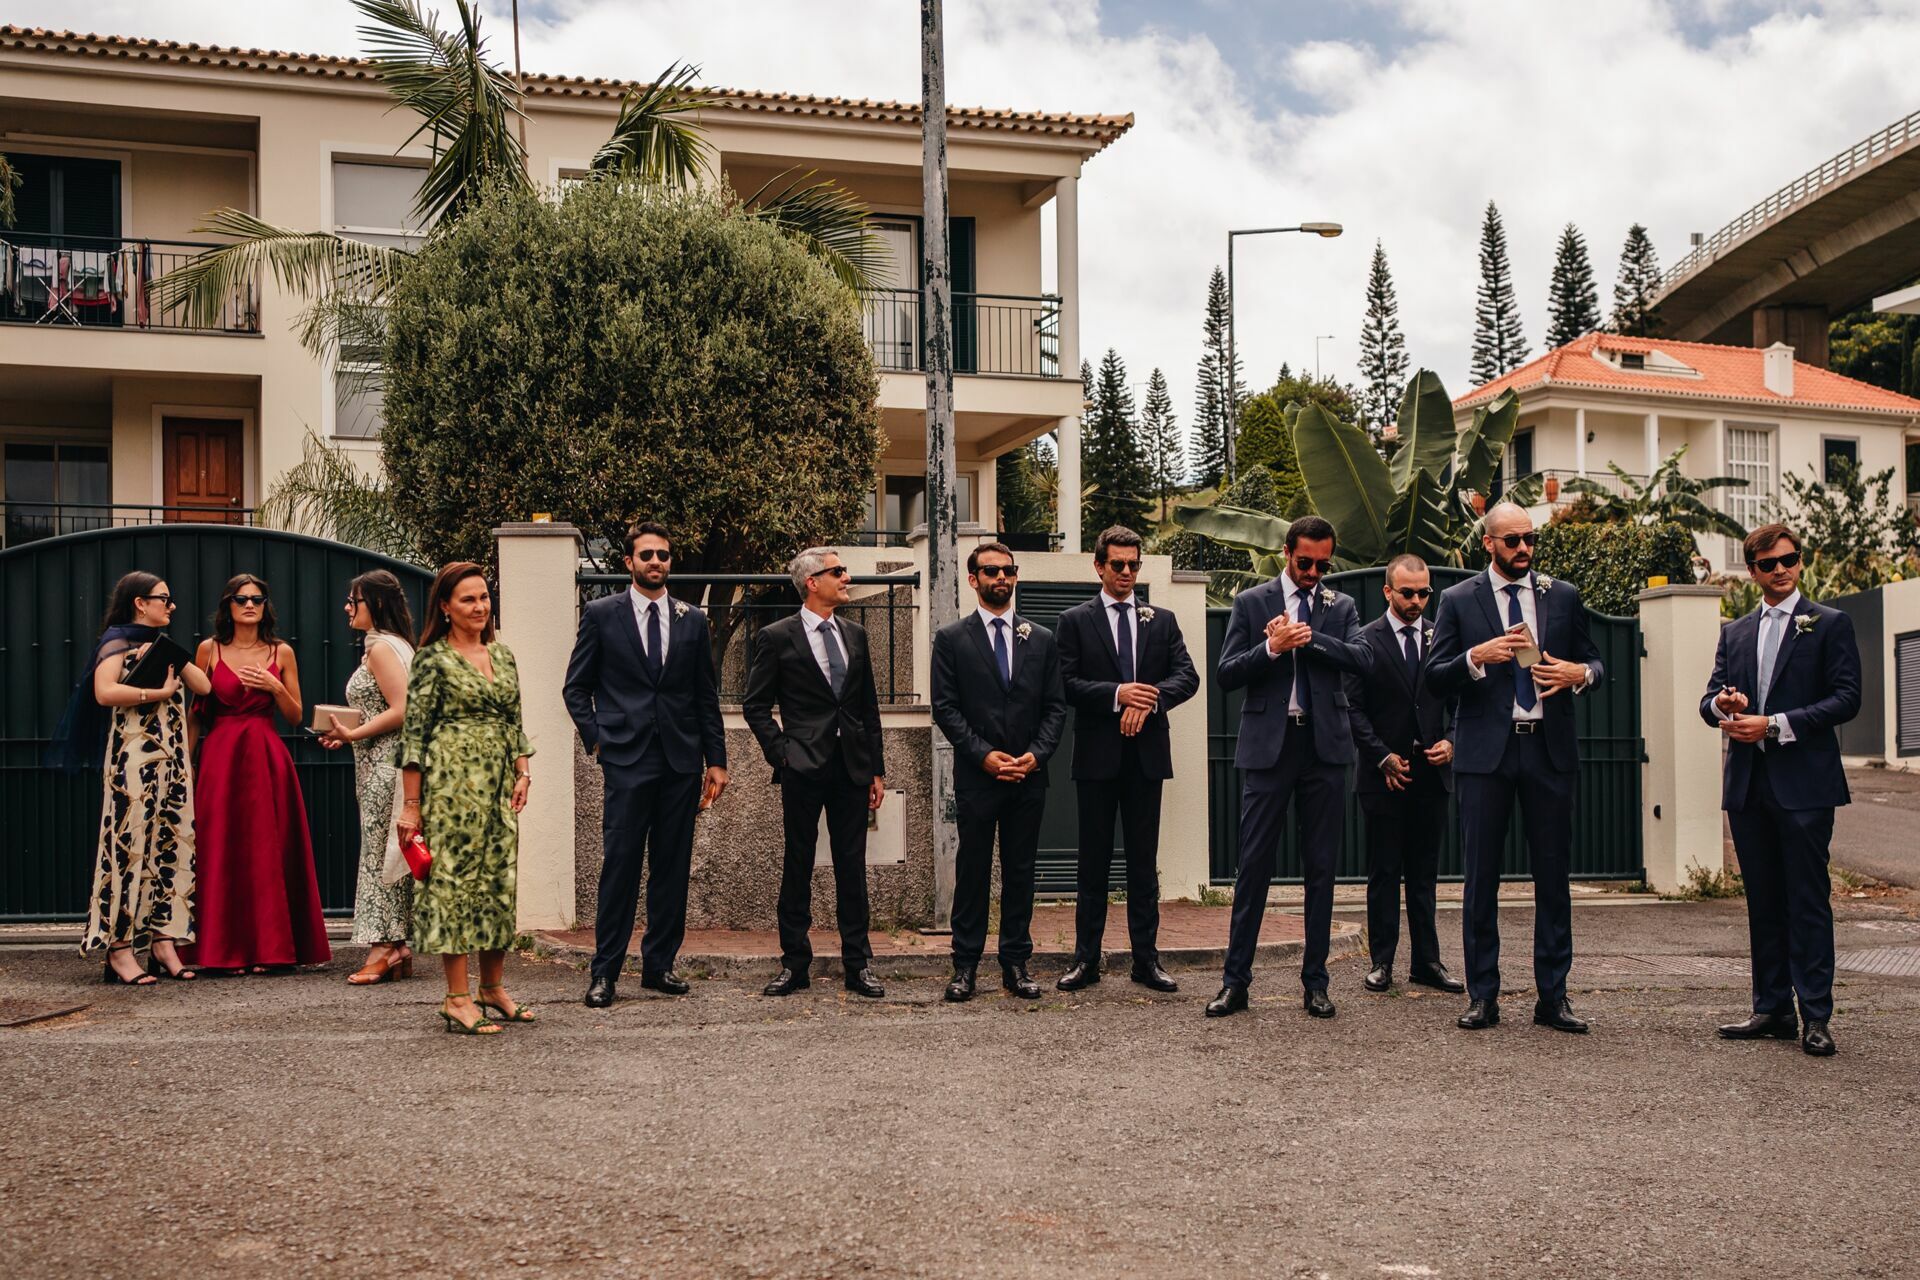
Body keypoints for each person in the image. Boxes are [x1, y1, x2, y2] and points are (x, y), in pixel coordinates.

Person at [1427, 503, 1604, 1034]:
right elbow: (1436, 677)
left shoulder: (1563, 596)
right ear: (1489, 544)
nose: (1523, 549)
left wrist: (1581, 674)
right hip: (1486, 756)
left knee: (1554, 877)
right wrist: (1475, 658)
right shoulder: (1458, 600)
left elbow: (1597, 662)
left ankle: (1554, 998)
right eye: (1512, 541)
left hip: (1548, 752)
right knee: (1481, 878)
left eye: (1529, 539)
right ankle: (1483, 996)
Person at [1702, 523, 1860, 1057]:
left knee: (1808, 901)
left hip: (1806, 787)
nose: (1781, 570)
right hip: (1749, 787)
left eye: (1789, 560)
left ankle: (1815, 1015)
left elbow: (1846, 698)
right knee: (1763, 901)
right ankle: (1770, 1009)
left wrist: (1774, 725)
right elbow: (1708, 700)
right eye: (1768, 564)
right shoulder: (1736, 632)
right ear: (1752, 571)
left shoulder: (1829, 624)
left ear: (1800, 562)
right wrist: (1721, 706)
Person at [1205, 516, 1373, 1020]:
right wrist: (1272, 647)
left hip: (1324, 749)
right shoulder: (1252, 602)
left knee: (1321, 870)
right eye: (1305, 563)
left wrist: (1310, 640)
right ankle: (1236, 982)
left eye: (1323, 565)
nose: (1314, 573)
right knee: (1253, 867)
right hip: (1268, 749)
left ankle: (1316, 983)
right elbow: (1226, 673)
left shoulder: (1339, 606)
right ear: (1286, 553)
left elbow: (1361, 659)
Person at [564, 522, 728, 1009]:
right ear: (629, 562)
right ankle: (605, 973)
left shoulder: (692, 620)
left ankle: (659, 966)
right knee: (620, 867)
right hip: (627, 760)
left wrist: (715, 761)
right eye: (647, 555)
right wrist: (598, 740)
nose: (656, 562)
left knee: (672, 868)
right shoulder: (600, 614)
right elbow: (576, 688)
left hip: (681, 761)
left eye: (664, 555)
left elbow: (705, 696)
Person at [1055, 526, 1199, 994]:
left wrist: (1148, 700)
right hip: (1097, 758)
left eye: (1134, 564)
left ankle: (1146, 961)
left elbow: (1188, 676)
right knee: (1091, 864)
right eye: (1118, 564)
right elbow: (1065, 683)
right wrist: (1118, 694)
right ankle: (1086, 960)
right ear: (1099, 566)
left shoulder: (1163, 618)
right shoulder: (1075, 620)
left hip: (1146, 759)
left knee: (1143, 864)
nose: (1126, 573)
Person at [52, 571, 213, 984]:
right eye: (164, 598)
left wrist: (174, 656)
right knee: (129, 848)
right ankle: (119, 949)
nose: (171, 605)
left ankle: (164, 942)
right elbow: (105, 693)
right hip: (133, 762)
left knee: (173, 847)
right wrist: (156, 693)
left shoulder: (165, 647)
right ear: (141, 603)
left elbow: (204, 686)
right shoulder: (117, 642)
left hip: (174, 760)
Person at [396, 563, 535, 1035]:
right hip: (450, 785)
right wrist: (411, 806)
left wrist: (523, 771)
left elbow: (516, 719)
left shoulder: (505, 654)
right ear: (445, 607)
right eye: (468, 600)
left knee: (498, 880)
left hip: (498, 785)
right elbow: (414, 735)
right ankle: (456, 996)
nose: (480, 607)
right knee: (452, 884)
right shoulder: (431, 659)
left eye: (484, 598)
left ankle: (491, 987)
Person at [742, 547, 887, 1000]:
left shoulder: (856, 634)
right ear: (812, 582)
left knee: (852, 868)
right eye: (837, 571)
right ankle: (794, 964)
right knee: (798, 864)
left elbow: (867, 708)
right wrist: (782, 753)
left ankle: (858, 965)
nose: (846, 577)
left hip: (852, 769)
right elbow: (755, 705)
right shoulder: (777, 636)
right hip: (802, 768)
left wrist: (876, 769)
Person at [930, 541, 1067, 1002]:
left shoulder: (1042, 638)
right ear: (974, 580)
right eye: (991, 571)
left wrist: (1037, 754)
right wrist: (984, 755)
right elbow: (946, 709)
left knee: (1021, 871)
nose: (1001, 578)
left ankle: (1016, 963)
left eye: (1008, 570)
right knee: (972, 871)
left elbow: (1055, 708)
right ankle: (964, 967)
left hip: (1029, 775)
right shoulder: (951, 639)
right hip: (978, 776)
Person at [188, 574, 331, 974]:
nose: (249, 605)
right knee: (220, 848)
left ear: (265, 606)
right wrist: (186, 762)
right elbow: (197, 715)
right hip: (220, 758)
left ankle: (272, 949)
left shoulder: (281, 652)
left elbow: (296, 714)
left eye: (257, 598)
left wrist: (274, 687)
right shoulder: (208, 650)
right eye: (241, 599)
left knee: (266, 850)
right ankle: (220, 951)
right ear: (228, 606)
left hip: (266, 756)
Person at [1348, 555, 1464, 996]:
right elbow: (1352, 709)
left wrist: (1452, 741)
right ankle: (1382, 962)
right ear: (1387, 592)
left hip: (1433, 776)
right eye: (1407, 593)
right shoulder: (1365, 641)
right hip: (1382, 777)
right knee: (1383, 871)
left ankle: (1427, 962)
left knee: (1425, 873)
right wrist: (1382, 757)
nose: (1417, 601)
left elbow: (1460, 705)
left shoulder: (1443, 639)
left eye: (1423, 593)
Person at [318, 570, 417, 985]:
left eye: (353, 600)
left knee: (378, 855)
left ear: (374, 604)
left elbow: (402, 709)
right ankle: (398, 946)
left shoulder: (381, 649)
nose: (347, 607)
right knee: (388, 853)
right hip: (378, 759)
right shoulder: (392, 646)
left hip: (385, 764)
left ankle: (381, 948)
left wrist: (352, 733)